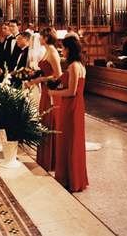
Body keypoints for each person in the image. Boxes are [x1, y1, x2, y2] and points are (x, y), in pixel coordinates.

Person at [48, 35, 88, 192]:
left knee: (69, 141)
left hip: (71, 107)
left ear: (68, 49)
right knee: (74, 140)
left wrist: (53, 92)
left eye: (63, 48)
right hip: (78, 106)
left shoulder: (73, 67)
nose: (62, 51)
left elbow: (71, 92)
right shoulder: (81, 65)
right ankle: (76, 177)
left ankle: (69, 179)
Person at [25, 26, 61, 172]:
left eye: (41, 36)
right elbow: (45, 72)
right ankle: (45, 159)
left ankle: (53, 160)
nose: (39, 39)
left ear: (46, 38)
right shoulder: (47, 52)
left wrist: (41, 78)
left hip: (52, 92)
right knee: (44, 121)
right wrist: (35, 78)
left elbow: (59, 76)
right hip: (45, 92)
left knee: (50, 122)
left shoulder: (53, 53)